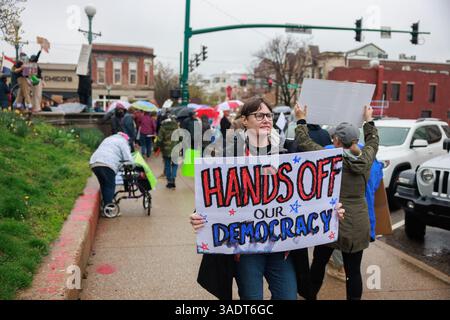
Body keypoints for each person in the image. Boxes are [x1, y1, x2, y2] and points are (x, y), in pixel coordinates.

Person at [190, 97, 346, 300]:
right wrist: (198, 215)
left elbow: (312, 191)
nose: (266, 119)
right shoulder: (227, 153)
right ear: (245, 120)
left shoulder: (290, 150)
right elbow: (215, 194)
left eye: (269, 115)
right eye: (259, 115)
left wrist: (330, 209)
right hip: (245, 249)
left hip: (282, 249)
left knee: (287, 296)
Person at [294, 104, 378, 300]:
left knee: (318, 263)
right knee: (353, 272)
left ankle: (310, 296)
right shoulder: (366, 158)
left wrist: (301, 119)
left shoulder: (329, 158)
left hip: (331, 219)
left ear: (337, 140)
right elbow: (373, 141)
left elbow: (304, 142)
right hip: (357, 222)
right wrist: (369, 120)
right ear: (355, 140)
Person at [89, 132, 134, 215]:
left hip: (94, 162)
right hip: (108, 164)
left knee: (104, 185)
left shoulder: (108, 139)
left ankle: (105, 206)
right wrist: (132, 165)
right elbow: (128, 158)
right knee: (110, 186)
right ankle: (109, 210)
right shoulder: (123, 142)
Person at [155, 113, 180, 189]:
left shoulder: (163, 127)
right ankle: (173, 178)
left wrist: (156, 147)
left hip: (166, 149)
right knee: (175, 164)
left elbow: (159, 139)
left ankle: (169, 181)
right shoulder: (177, 127)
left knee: (167, 164)